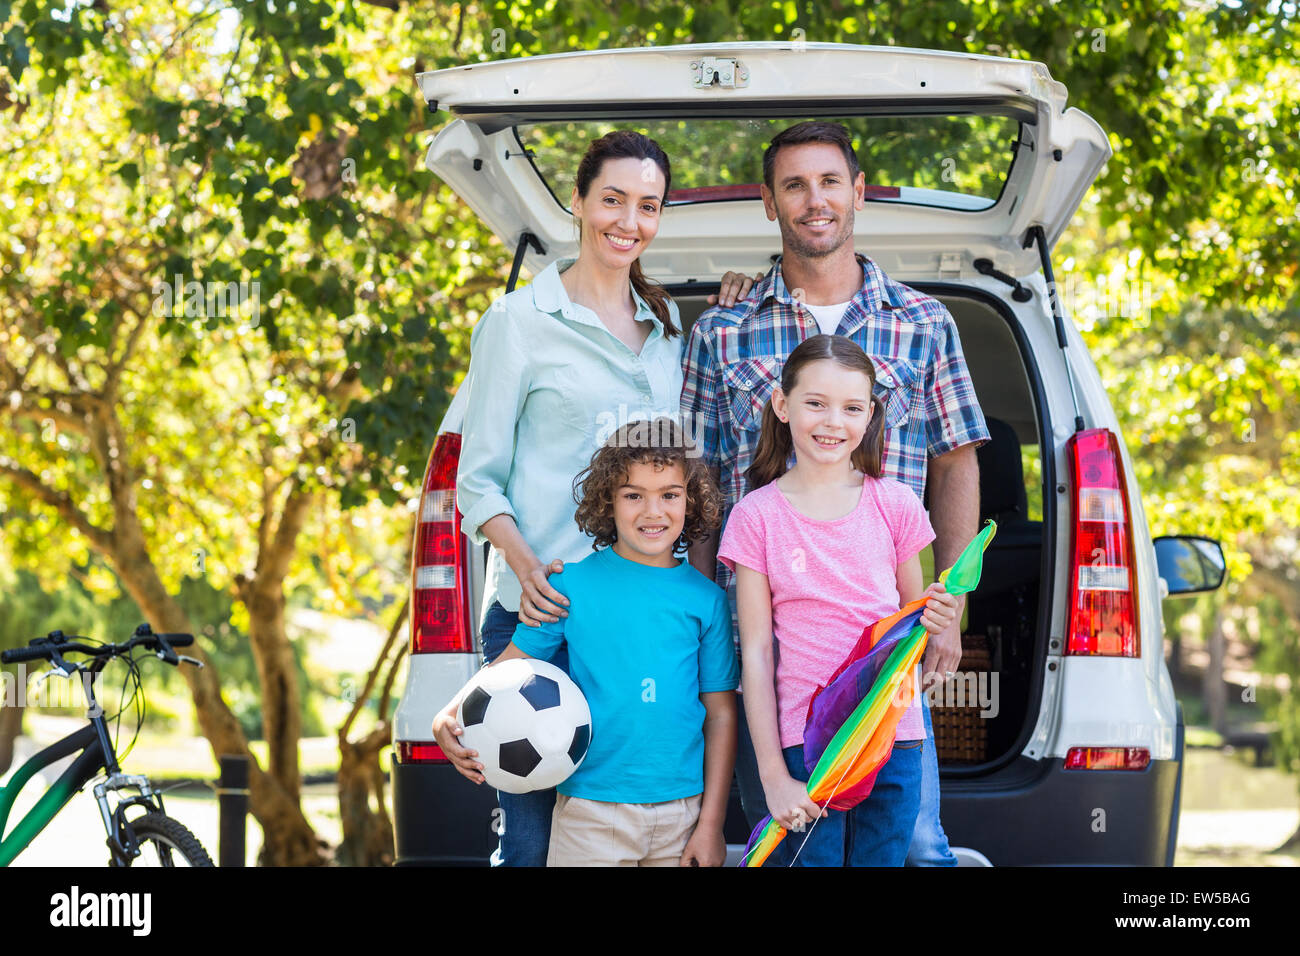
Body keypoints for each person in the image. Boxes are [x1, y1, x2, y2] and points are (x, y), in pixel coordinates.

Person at [682, 121, 990, 866]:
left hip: (885, 641)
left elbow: (955, 464)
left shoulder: (923, 323)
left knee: (913, 845)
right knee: (792, 835)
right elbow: (698, 485)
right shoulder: (721, 332)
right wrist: (692, 621)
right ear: (768, 201)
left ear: (857, 192)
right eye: (793, 185)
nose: (813, 201)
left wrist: (947, 612)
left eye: (829, 182)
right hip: (766, 634)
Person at [451, 129, 754, 866]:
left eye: (648, 205)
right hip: (546, 611)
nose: (629, 220)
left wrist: (737, 307)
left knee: (657, 817)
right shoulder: (517, 323)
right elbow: (476, 480)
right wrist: (525, 568)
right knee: (530, 843)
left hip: (645, 616)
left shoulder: (668, 333)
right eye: (612, 199)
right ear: (579, 203)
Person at [434, 419, 739, 866]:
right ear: (608, 502)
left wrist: (711, 825)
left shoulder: (707, 600)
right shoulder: (569, 586)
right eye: (634, 495)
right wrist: (450, 709)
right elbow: (512, 666)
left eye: (670, 495)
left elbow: (721, 712)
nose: (653, 511)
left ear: (691, 502)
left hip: (684, 814)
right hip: (590, 813)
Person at [717, 335, 958, 865]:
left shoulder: (896, 505)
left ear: (870, 416)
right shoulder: (755, 517)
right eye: (815, 403)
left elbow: (913, 626)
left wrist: (941, 614)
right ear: (782, 406)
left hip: (893, 733)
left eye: (852, 408)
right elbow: (755, 654)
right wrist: (774, 778)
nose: (833, 422)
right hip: (805, 741)